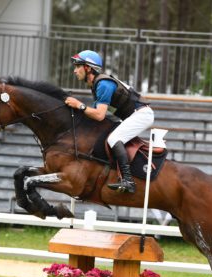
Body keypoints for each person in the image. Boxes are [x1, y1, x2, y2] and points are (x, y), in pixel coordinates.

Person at [64, 50, 154, 194]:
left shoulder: (103, 84)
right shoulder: (97, 84)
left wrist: (79, 105)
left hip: (142, 115)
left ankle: (128, 181)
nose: (74, 71)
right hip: (134, 115)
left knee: (114, 138)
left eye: (77, 66)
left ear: (88, 68)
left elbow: (99, 115)